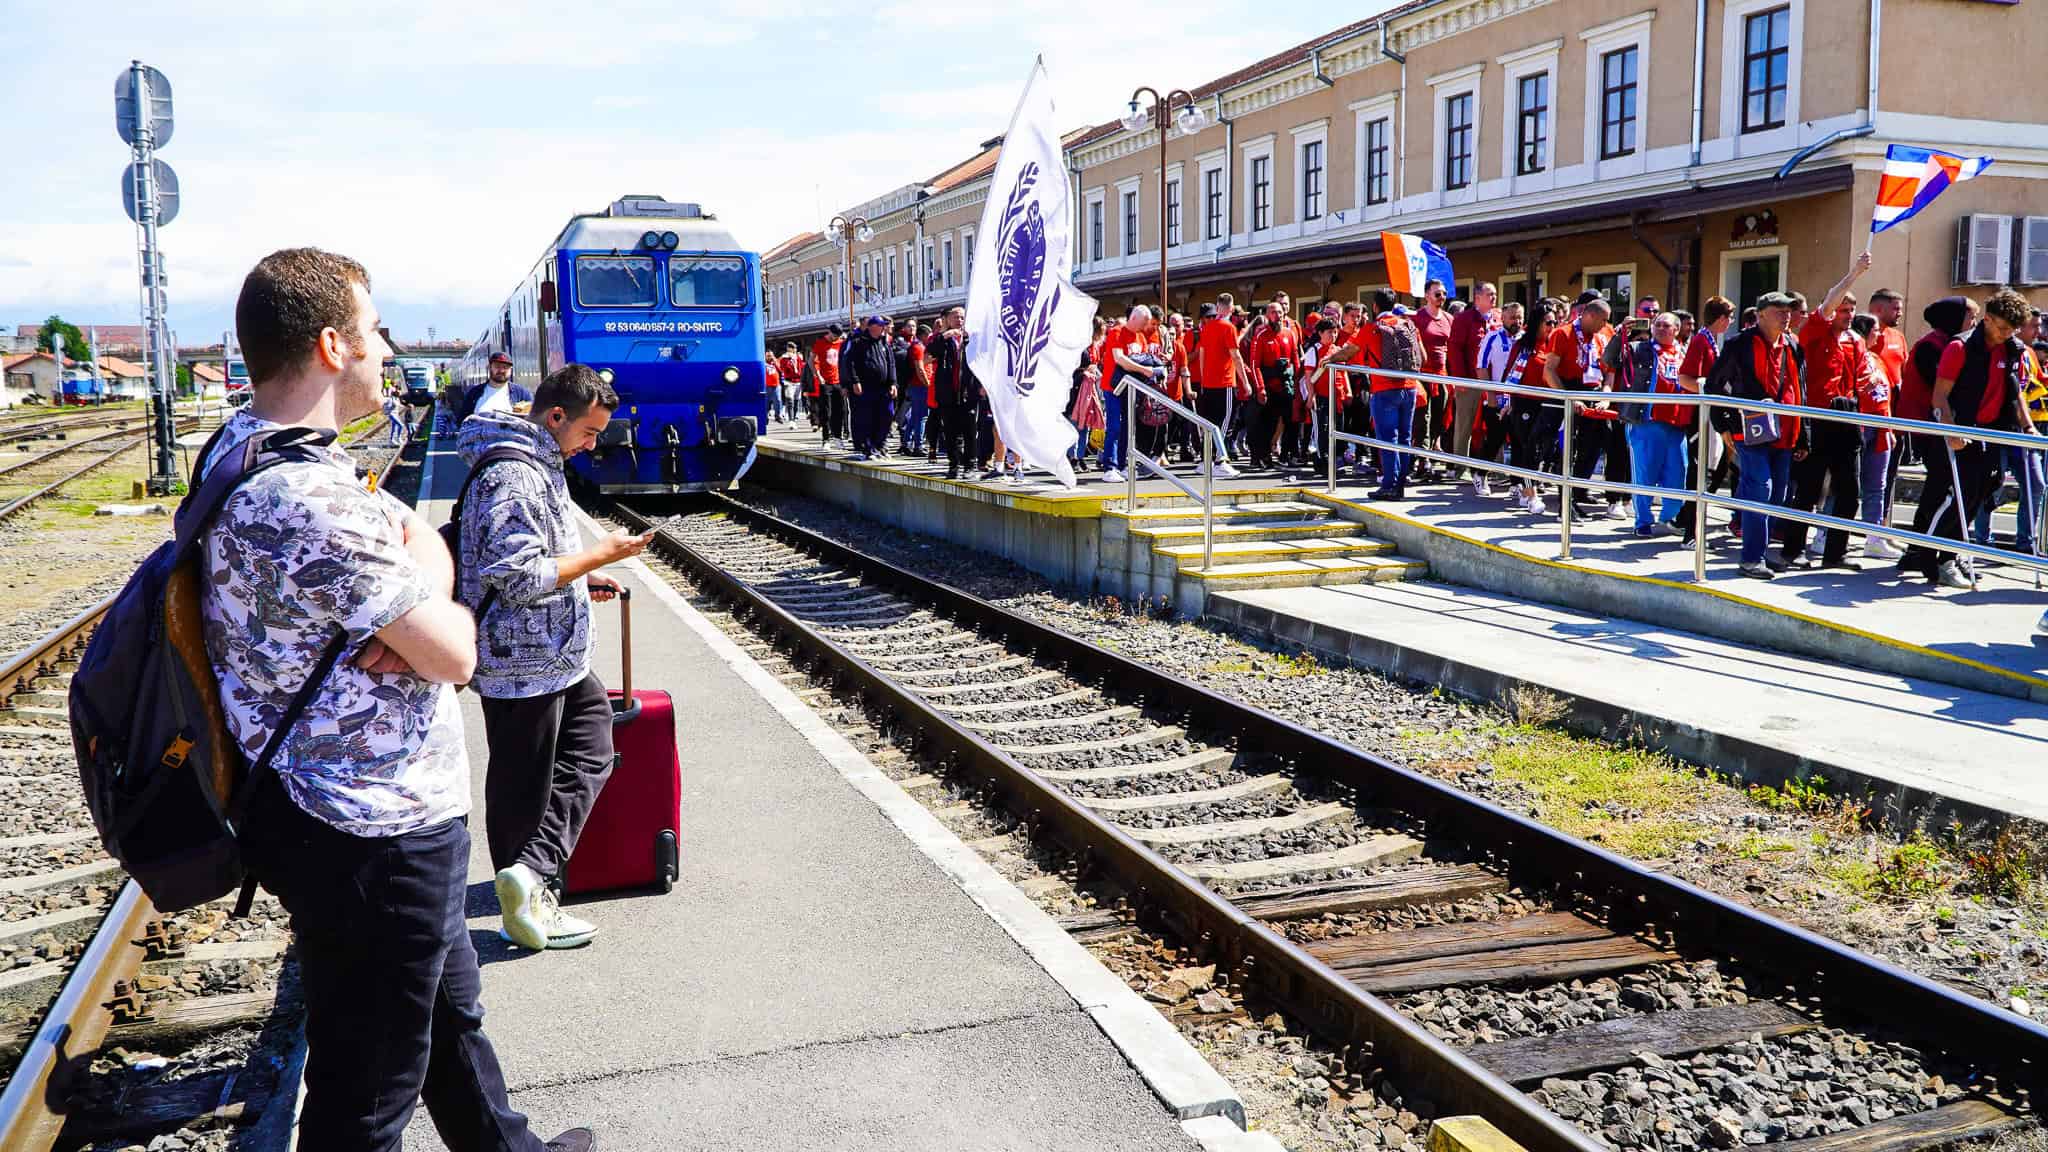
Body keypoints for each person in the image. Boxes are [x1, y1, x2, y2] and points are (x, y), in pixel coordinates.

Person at [204, 248, 589, 1152]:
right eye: (374, 332)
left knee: (448, 1021)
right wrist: (423, 578)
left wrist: (418, 561)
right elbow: (458, 650)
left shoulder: (249, 448)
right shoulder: (310, 496)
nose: (385, 350)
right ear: (333, 344)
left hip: (364, 811)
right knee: (366, 1094)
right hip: (368, 827)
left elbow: (425, 541)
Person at [457, 364, 647, 951]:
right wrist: (595, 557)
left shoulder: (540, 463)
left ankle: (531, 873)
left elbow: (535, 561)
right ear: (556, 415)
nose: (592, 445)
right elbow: (515, 575)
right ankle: (528, 906)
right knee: (523, 784)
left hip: (556, 651)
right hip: (520, 657)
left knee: (592, 746)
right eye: (588, 433)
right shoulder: (515, 474)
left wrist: (577, 583)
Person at [1925, 288, 2034, 589]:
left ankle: (1953, 551)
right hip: (1963, 430)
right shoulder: (1958, 348)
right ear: (1986, 319)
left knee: (1986, 491)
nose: (2005, 334)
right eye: (2001, 328)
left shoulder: (2012, 349)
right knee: (1963, 494)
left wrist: (2027, 427)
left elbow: (2017, 392)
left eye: (2012, 329)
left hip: (1992, 431)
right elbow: (1940, 396)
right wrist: (1952, 430)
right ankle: (1938, 557)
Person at [1781, 251, 1874, 571]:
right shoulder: (1813, 330)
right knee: (1808, 491)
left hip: (1847, 419)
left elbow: (1863, 378)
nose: (1847, 315)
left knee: (1850, 491)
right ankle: (1792, 551)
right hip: (1817, 420)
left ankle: (1836, 552)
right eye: (1842, 310)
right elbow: (1826, 305)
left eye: (1852, 310)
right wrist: (1854, 274)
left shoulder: (1856, 341)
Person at [1727, 292, 1807, 579]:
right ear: (1760, 314)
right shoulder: (1739, 344)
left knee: (1779, 494)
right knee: (1759, 488)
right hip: (1750, 430)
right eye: (1778, 311)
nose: (1786, 316)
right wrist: (1725, 426)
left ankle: (1759, 553)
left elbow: (1801, 387)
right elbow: (1715, 385)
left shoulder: (1793, 345)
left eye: (1789, 311)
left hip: (1785, 431)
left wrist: (1803, 435)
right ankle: (1750, 559)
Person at [1896, 297, 1974, 582]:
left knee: (1940, 490)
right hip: (1928, 427)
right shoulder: (1933, 346)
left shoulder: (1947, 343)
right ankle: (1919, 549)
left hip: (1937, 426)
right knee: (1938, 490)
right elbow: (1941, 388)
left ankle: (1925, 548)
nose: (1974, 324)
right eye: (1969, 317)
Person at [1544, 295, 1618, 518]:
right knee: (1567, 450)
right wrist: (1568, 397)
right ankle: (1563, 502)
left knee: (1594, 447)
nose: (1604, 325)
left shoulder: (1604, 335)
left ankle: (1576, 495)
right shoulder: (1563, 333)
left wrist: (1606, 396)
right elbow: (1549, 370)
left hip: (1595, 391)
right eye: (1602, 320)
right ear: (1589, 315)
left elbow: (1610, 372)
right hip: (1568, 390)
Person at [1679, 295, 1738, 547]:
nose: (1731, 322)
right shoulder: (1701, 341)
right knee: (1699, 472)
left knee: (1717, 469)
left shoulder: (1710, 340)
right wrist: (1705, 388)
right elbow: (1684, 377)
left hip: (1709, 414)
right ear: (1722, 318)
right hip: (1697, 417)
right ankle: (1690, 534)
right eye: (1730, 317)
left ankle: (1683, 519)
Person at [1849, 313, 1900, 561]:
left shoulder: (1877, 359)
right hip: (1858, 426)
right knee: (1845, 485)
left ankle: (1874, 538)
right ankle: (1825, 534)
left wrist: (1889, 429)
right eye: (1876, 330)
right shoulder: (1851, 355)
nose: (1880, 334)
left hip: (1880, 428)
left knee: (1877, 486)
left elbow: (1885, 396)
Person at [1366, 289, 1423, 500]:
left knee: (1388, 438)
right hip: (1409, 387)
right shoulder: (1407, 325)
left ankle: (1389, 484)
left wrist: (1329, 361)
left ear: (1375, 306)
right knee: (1405, 438)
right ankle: (1400, 485)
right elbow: (1421, 357)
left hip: (1384, 389)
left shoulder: (1373, 329)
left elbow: (1349, 351)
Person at [1447, 282, 1497, 480]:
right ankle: (1459, 467)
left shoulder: (1495, 320)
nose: (1493, 298)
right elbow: (1455, 349)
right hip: (1470, 381)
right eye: (1489, 294)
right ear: (1477, 298)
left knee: (1493, 425)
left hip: (1491, 382)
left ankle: (1493, 468)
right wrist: (1459, 379)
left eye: (1494, 294)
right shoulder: (1464, 319)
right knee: (1464, 426)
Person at [1192, 295, 1244, 477]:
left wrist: (1204, 379)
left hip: (1209, 382)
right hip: (1225, 381)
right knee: (1225, 422)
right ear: (1230, 309)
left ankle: (1206, 460)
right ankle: (1220, 460)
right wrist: (1245, 381)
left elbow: (1202, 355)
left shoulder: (1207, 328)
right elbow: (1236, 356)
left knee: (1211, 422)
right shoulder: (1229, 328)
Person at [928, 307, 978, 479]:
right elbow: (930, 353)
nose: (959, 320)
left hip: (967, 392)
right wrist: (945, 335)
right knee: (950, 432)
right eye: (955, 317)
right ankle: (954, 465)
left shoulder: (971, 339)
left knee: (970, 431)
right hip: (947, 393)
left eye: (962, 317)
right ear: (948, 320)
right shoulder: (943, 339)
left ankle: (970, 466)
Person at [1249, 300, 1297, 470]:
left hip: (1286, 385)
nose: (1279, 315)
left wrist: (1296, 383)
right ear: (1267, 315)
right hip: (1269, 386)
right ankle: (1262, 456)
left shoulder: (1289, 334)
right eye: (1274, 312)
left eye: (1281, 312)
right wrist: (1260, 388)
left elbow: (1295, 359)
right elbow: (1255, 365)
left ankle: (1287, 455)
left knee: (1290, 421)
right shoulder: (1261, 335)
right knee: (1266, 423)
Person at [455, 352, 533, 424]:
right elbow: (462, 422)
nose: (501, 370)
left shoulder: (522, 394)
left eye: (505, 367)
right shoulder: (474, 393)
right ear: (489, 367)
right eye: (497, 366)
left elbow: (533, 419)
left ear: (511, 370)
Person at [894, 318, 928, 456]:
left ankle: (906, 443)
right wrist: (928, 383)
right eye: (909, 326)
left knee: (914, 416)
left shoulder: (914, 345)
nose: (912, 328)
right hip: (915, 385)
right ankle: (917, 445)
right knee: (920, 416)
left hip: (912, 384)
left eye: (914, 326)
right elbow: (919, 368)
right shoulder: (913, 346)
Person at [811, 324, 846, 447]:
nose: (835, 338)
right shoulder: (820, 343)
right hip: (825, 382)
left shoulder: (841, 343)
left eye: (837, 336)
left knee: (840, 411)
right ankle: (826, 439)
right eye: (834, 335)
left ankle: (838, 437)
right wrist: (818, 375)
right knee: (826, 412)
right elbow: (812, 360)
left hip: (839, 382)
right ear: (829, 332)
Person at [763, 354, 785, 425]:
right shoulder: (763, 364)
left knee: (777, 401)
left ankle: (777, 416)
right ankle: (765, 417)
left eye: (771, 356)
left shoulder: (775, 363)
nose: (770, 357)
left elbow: (781, 370)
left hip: (776, 385)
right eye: (768, 356)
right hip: (766, 386)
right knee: (766, 402)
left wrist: (775, 362)